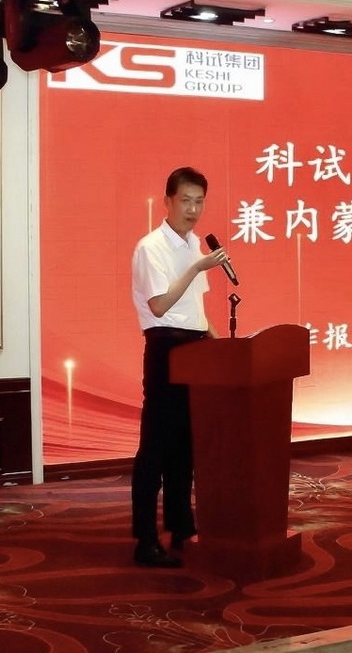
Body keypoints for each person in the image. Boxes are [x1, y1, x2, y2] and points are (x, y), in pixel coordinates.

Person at [129, 166, 229, 568]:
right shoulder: (150, 247)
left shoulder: (193, 245)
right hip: (166, 349)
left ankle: (181, 525)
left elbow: (194, 310)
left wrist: (224, 346)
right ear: (167, 201)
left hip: (194, 349)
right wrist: (196, 267)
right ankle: (145, 539)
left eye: (199, 201)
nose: (193, 209)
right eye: (185, 200)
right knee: (155, 446)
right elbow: (160, 306)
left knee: (185, 445)